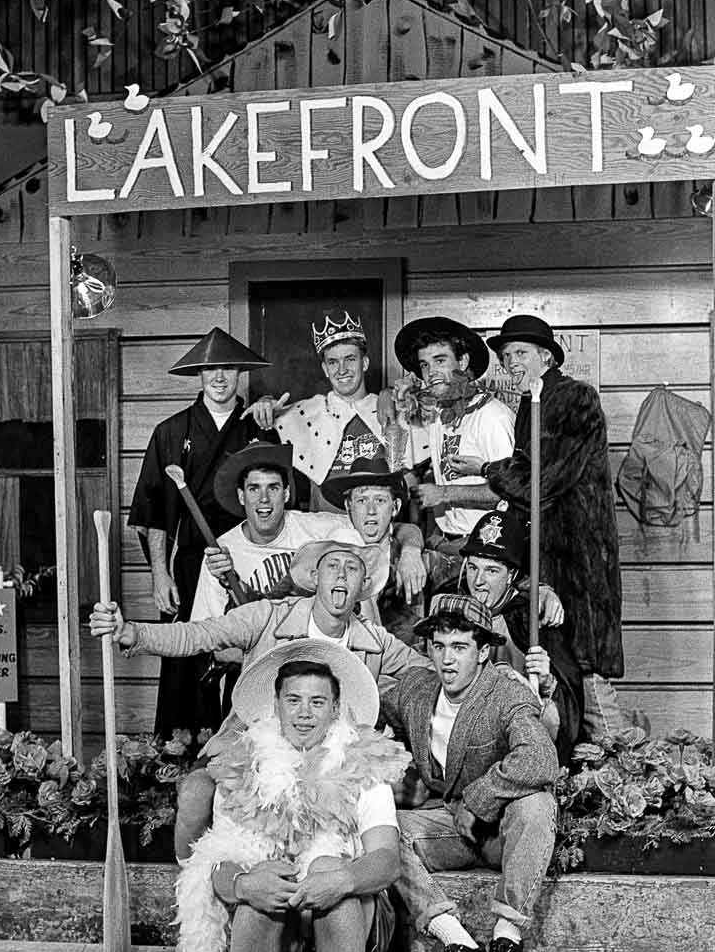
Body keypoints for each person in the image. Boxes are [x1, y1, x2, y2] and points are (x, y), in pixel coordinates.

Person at [168, 638, 410, 952]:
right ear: (275, 705)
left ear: (335, 708)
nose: (305, 713)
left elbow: (386, 862)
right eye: (294, 700)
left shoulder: (361, 764)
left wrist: (341, 879)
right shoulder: (245, 765)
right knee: (261, 881)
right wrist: (243, 885)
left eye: (317, 702)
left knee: (329, 874)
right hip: (280, 936)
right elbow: (213, 862)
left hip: (353, 929)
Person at [89, 541, 430, 858]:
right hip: (253, 752)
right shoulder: (268, 615)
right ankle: (194, 889)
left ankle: (325, 879)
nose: (341, 575)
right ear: (314, 578)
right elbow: (200, 634)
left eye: (352, 569)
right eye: (332, 566)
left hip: (330, 763)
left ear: (363, 585)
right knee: (195, 794)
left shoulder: (375, 641)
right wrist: (132, 632)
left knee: (404, 793)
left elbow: (432, 673)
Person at [383, 594, 558, 952]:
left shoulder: (505, 692)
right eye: (439, 646)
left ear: (482, 652)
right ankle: (457, 941)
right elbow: (371, 710)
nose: (447, 660)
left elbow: (540, 761)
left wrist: (481, 797)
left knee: (537, 804)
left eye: (460, 647)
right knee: (379, 828)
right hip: (450, 828)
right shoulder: (416, 690)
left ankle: (506, 937)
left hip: (503, 834)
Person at [478, 315, 625, 735]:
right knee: (561, 678)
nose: (511, 363)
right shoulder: (531, 403)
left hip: (579, 564)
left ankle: (626, 776)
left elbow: (541, 480)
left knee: (590, 679)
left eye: (520, 353)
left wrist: (487, 468)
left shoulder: (575, 399)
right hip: (547, 562)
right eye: (506, 357)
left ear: (546, 357)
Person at [127, 327, 272, 736]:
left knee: (251, 654)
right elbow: (152, 510)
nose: (219, 377)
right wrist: (160, 573)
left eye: (227, 367)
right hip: (193, 562)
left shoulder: (258, 428)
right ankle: (178, 754)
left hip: (249, 562)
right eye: (210, 369)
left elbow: (280, 501)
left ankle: (243, 749)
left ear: (240, 372)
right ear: (199, 375)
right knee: (185, 657)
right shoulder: (171, 432)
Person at [191, 442, 425, 619]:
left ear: (286, 494)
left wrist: (411, 550)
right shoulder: (222, 553)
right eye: (254, 489)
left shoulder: (319, 527)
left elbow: (386, 527)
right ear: (241, 496)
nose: (263, 499)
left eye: (273, 488)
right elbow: (209, 632)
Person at [245, 310, 426, 511]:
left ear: (364, 363)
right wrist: (264, 404)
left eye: (350, 359)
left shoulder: (391, 408)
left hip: (380, 531)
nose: (342, 370)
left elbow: (409, 478)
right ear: (324, 369)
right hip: (324, 531)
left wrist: (389, 392)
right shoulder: (307, 413)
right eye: (333, 362)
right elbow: (261, 427)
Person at [448, 509, 584, 766]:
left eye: (491, 571)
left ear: (511, 576)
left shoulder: (530, 618)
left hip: (516, 739)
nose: (478, 581)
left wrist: (547, 682)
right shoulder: (451, 608)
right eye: (473, 568)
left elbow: (567, 708)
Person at [389, 316, 515, 557]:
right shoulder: (439, 415)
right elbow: (400, 448)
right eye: (424, 365)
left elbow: (507, 491)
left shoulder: (492, 416)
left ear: (463, 361)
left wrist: (444, 493)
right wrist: (394, 400)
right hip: (444, 544)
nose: (431, 372)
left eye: (440, 361)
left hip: (484, 549)